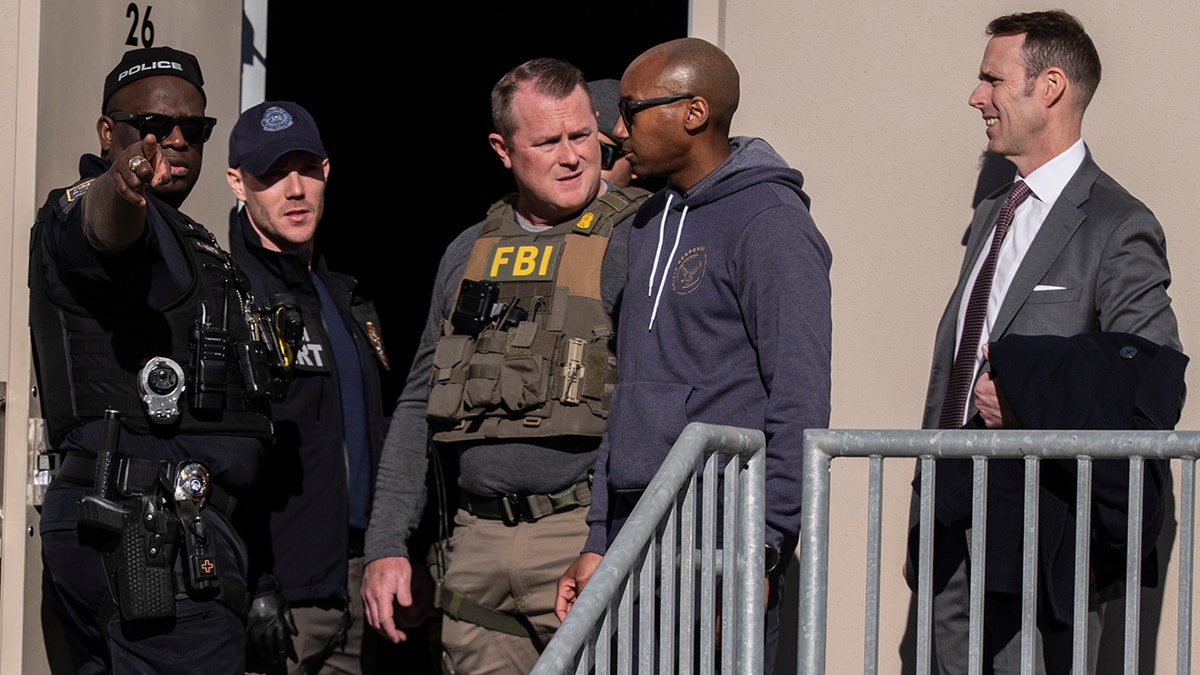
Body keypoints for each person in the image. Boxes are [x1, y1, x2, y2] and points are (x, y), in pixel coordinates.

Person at [907, 10, 1181, 674]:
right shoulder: (990, 214)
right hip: (950, 526)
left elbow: (1149, 380)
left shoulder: (1119, 225)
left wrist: (1031, 396)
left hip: (1039, 540)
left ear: (1050, 86)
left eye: (991, 79)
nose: (977, 97)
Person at [360, 60, 651, 673]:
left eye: (581, 135)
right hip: (477, 541)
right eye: (548, 142)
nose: (572, 156)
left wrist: (611, 534)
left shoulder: (641, 237)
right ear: (503, 148)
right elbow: (417, 403)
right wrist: (387, 544)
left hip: (584, 536)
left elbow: (656, 401)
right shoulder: (468, 251)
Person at [556, 37, 833, 675]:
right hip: (636, 534)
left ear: (694, 112)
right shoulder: (649, 223)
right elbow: (630, 392)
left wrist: (760, 553)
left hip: (720, 537)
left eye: (631, 109)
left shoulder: (771, 223)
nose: (614, 129)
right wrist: (599, 537)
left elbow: (800, 398)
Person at [32, 46, 275, 673]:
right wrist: (123, 187)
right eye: (152, 126)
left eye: (193, 130)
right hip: (149, 535)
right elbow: (102, 228)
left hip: (149, 529)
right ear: (109, 133)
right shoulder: (97, 207)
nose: (173, 140)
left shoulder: (188, 236)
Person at [224, 100, 400, 673]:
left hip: (353, 587)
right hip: (277, 602)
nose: (293, 189)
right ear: (238, 183)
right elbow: (211, 462)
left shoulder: (346, 300)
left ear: (327, 172)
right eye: (272, 175)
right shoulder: (227, 299)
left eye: (305, 170)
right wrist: (251, 581)